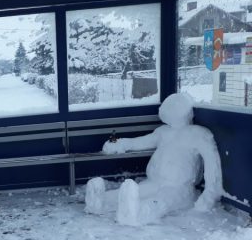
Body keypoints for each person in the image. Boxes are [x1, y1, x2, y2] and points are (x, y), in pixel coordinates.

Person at [84, 92, 223, 225]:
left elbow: (213, 168)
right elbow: (140, 142)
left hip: (178, 188)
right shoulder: (164, 131)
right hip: (155, 181)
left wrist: (209, 197)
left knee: (161, 202)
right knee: (136, 193)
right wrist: (121, 144)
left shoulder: (199, 134)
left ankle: (136, 214)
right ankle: (100, 201)